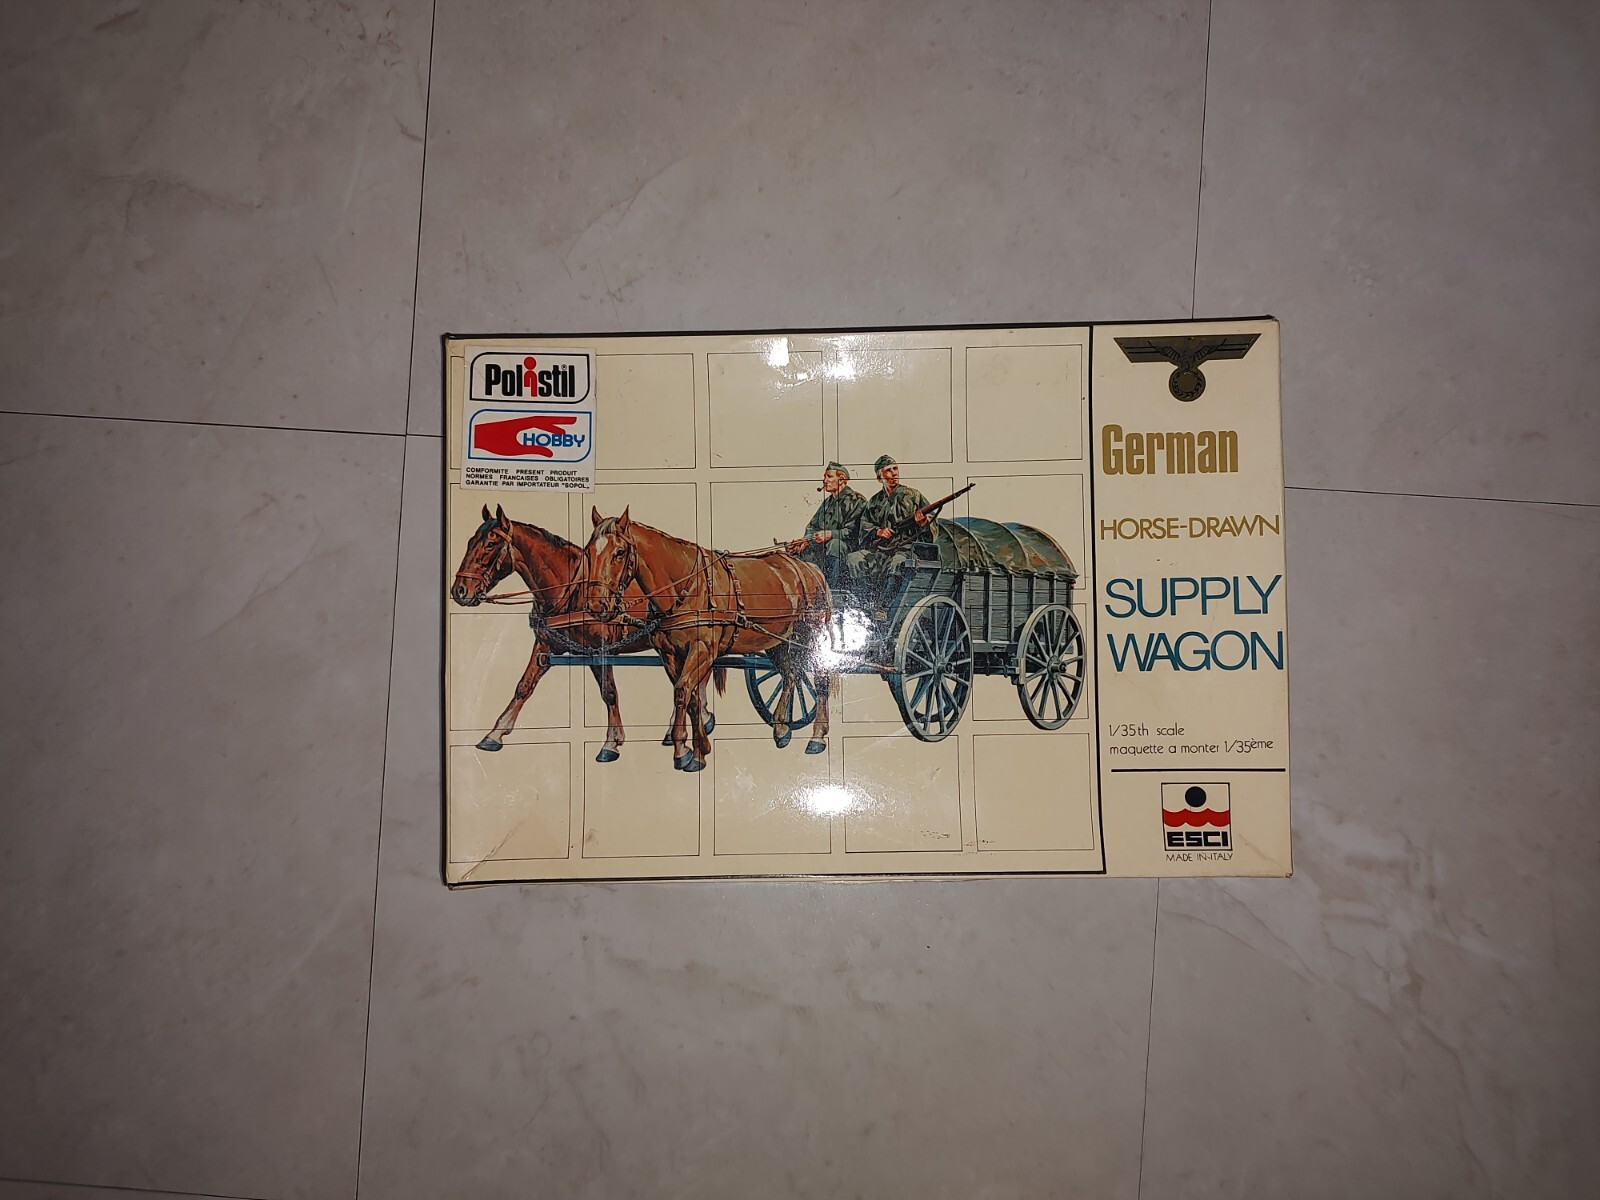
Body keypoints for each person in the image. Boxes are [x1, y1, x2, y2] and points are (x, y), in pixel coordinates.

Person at [844, 454, 934, 605]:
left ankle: (885, 606)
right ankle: (865, 603)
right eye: (888, 470)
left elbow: (932, 525)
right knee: (854, 558)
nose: (894, 473)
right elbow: (864, 526)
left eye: (895, 469)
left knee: (897, 562)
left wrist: (924, 522)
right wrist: (877, 531)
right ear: (880, 477)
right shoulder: (874, 501)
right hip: (881, 550)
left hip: (906, 550)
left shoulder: (913, 496)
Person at [786, 462, 864, 588]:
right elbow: (812, 526)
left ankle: (831, 590)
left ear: (841, 479)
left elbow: (854, 531)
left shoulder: (857, 500)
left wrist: (831, 534)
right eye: (825, 477)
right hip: (826, 546)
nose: (825, 480)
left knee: (835, 545)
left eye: (829, 476)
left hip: (849, 548)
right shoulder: (827, 502)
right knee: (801, 550)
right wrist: (806, 540)